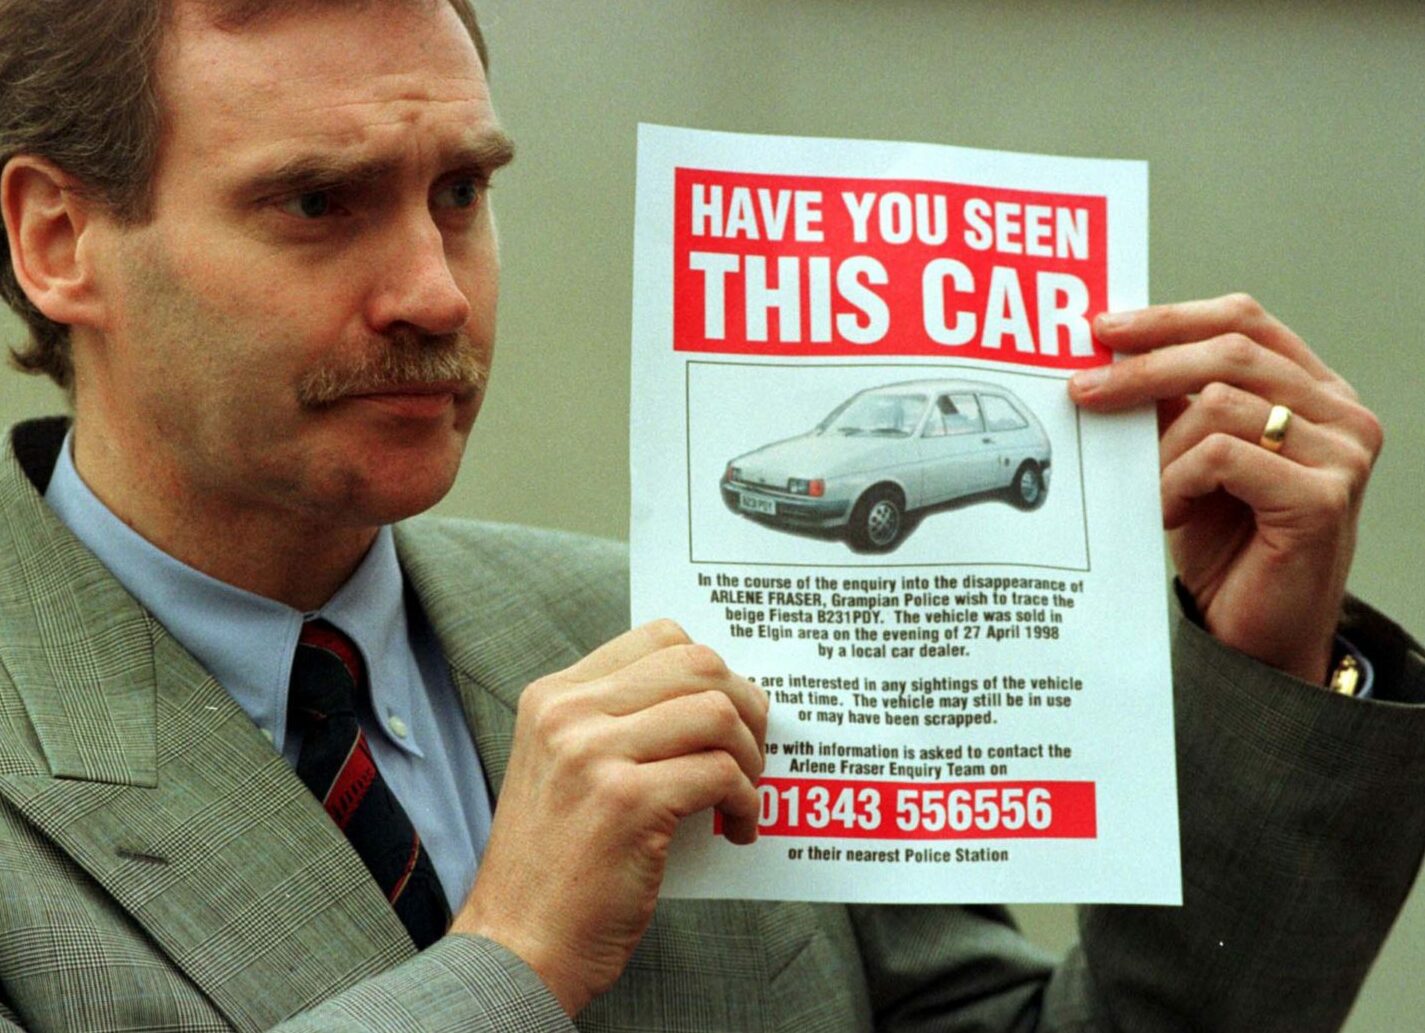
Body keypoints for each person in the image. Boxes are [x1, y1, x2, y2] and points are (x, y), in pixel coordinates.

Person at [0, 1, 1421, 1030]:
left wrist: (1257, 671)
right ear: (58, 241)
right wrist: (512, 957)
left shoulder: (674, 625)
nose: (436, 289)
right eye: (316, 201)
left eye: (459, 191)